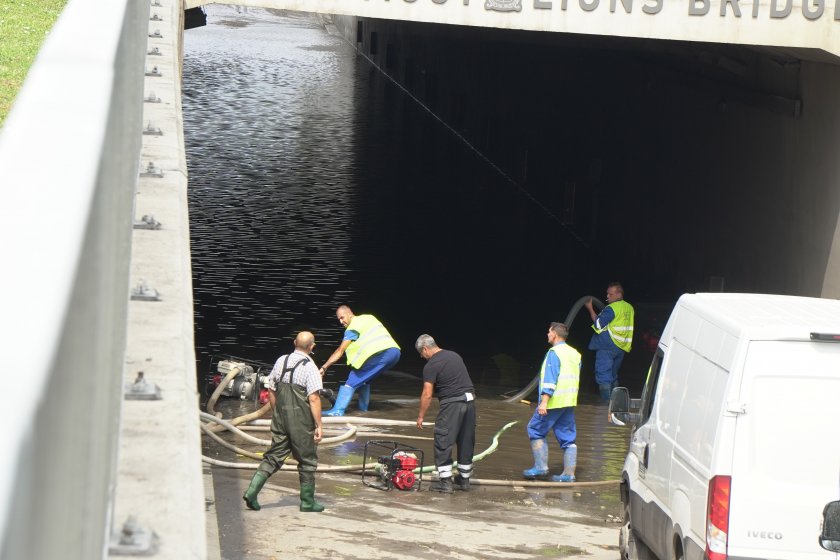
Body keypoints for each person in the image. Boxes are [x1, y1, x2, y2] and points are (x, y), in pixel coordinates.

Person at [242, 331, 325, 512]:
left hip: (280, 417)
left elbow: (271, 389)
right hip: (301, 423)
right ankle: (307, 502)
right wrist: (319, 425)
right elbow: (314, 399)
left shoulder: (281, 361)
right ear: (312, 347)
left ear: (294, 342)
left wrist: (277, 412)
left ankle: (252, 492)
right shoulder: (311, 367)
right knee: (307, 460)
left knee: (273, 456)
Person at [415, 334, 477, 494]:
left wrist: (421, 416)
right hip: (470, 403)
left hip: (452, 403)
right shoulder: (454, 356)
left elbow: (427, 394)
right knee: (466, 440)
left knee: (443, 440)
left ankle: (445, 483)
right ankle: (464, 480)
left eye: (421, 354)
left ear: (425, 348)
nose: (422, 357)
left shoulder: (431, 365)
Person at [522, 322, 582, 482]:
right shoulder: (575, 353)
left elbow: (550, 379)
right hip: (569, 401)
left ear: (555, 334)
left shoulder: (554, 353)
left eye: (549, 332)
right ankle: (569, 474)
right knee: (568, 438)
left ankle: (541, 468)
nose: (547, 335)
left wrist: (543, 402)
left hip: (554, 401)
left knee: (534, 429)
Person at [319, 305, 401, 416]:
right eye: (339, 319)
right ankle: (363, 410)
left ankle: (337, 411)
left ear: (349, 313)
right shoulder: (369, 317)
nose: (340, 321)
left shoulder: (352, 328)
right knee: (364, 380)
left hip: (382, 354)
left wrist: (324, 367)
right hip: (395, 352)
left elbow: (340, 351)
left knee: (352, 379)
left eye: (342, 317)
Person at [585, 282, 635, 401]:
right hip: (621, 347)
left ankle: (606, 405)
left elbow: (598, 324)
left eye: (610, 294)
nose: (607, 296)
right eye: (607, 294)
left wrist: (590, 308)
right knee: (612, 375)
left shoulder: (611, 309)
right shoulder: (629, 307)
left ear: (619, 295)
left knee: (603, 376)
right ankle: (616, 406)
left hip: (607, 345)